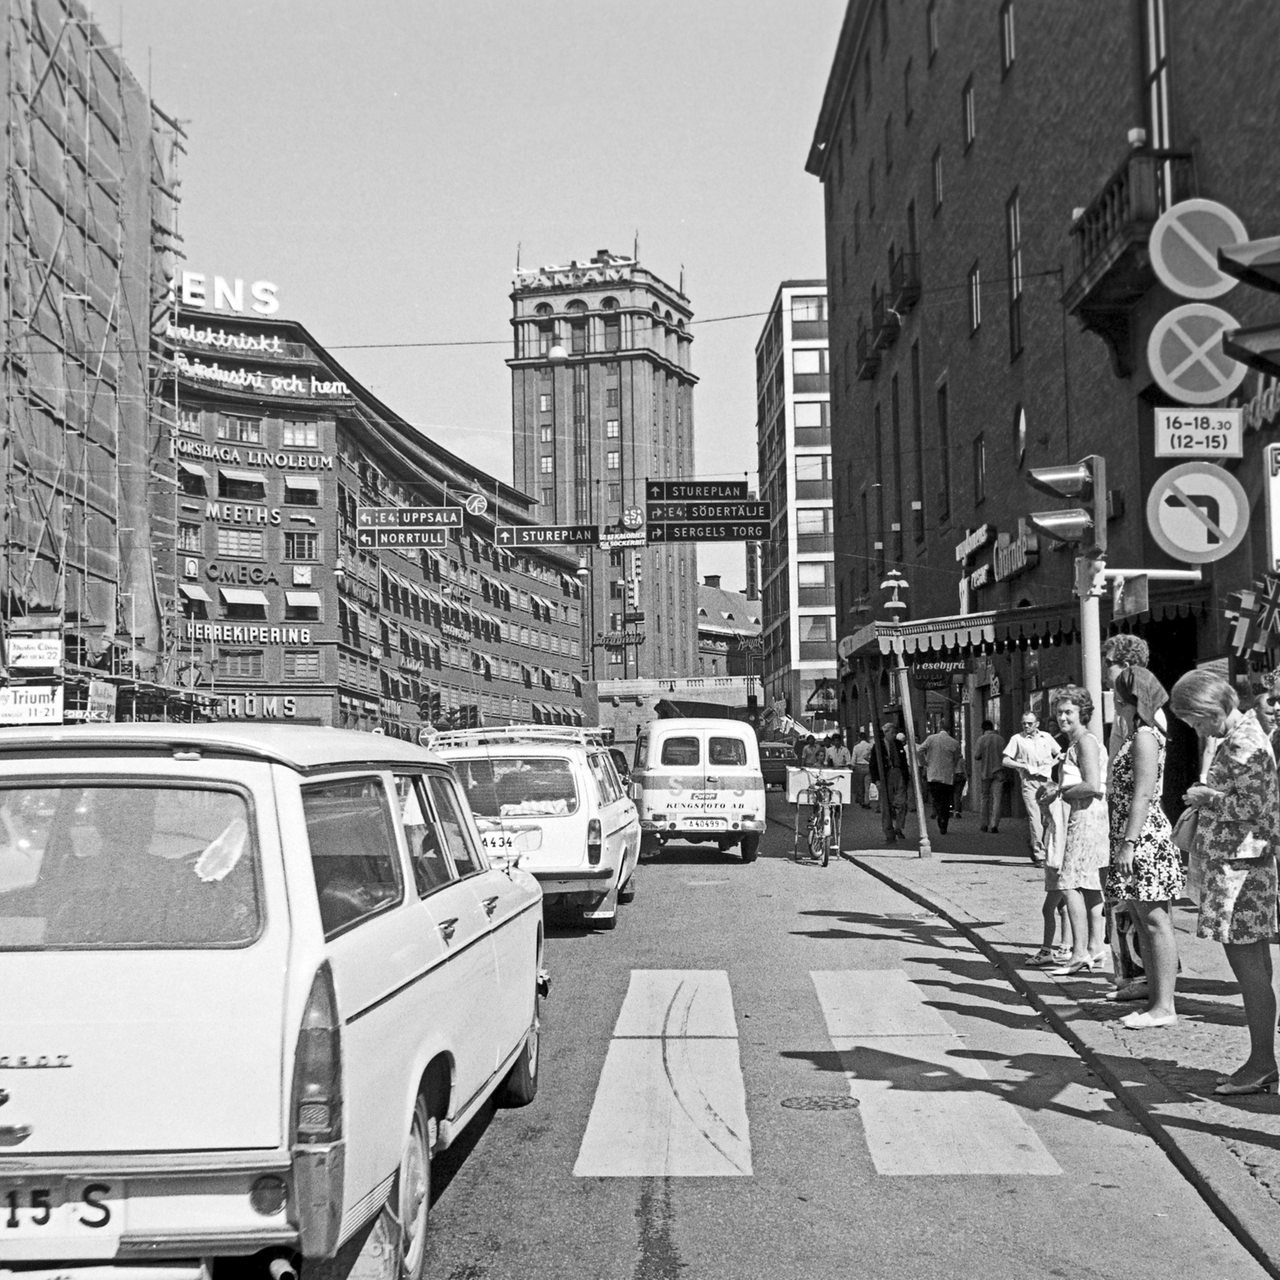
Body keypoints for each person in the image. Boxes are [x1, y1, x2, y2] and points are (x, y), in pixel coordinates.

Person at [1171, 668, 1280, 1092]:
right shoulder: (1243, 734)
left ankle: (1260, 1063)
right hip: (1241, 864)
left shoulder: (1243, 740)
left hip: (1241, 866)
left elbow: (1255, 807)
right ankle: (1261, 1060)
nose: (1197, 729)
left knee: (1249, 968)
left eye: (1196, 721)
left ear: (1211, 708)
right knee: (1254, 967)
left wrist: (1205, 797)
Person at [1106, 664, 1182, 1029]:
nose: (1116, 708)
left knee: (1154, 920)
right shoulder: (1139, 733)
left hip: (1144, 837)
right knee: (1141, 918)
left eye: (1119, 701)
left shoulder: (1145, 737)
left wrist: (1129, 843)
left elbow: (1143, 793)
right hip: (1133, 836)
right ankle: (1155, 1000)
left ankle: (1165, 1005)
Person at [1037, 686, 1109, 975]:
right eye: (1060, 712)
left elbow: (1092, 785)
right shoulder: (1076, 742)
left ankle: (1078, 953)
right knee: (1090, 886)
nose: (1063, 717)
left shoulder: (1085, 742)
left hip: (1087, 816)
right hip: (1087, 815)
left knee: (1068, 883)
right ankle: (1095, 949)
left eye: (1069, 712)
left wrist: (1061, 791)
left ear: (1083, 713)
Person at [1002, 711, 1062, 864]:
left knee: (1049, 817)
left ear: (1037, 724)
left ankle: (1048, 848)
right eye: (1024, 723)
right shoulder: (1017, 739)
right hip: (1030, 782)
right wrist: (1022, 766)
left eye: (1029, 723)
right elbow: (1006, 760)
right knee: (1035, 818)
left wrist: (1054, 763)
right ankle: (1039, 854)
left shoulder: (1046, 737)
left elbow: (1060, 754)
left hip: (1047, 781)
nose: (1026, 726)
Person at [917, 723, 961, 836]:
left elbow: (919, 751)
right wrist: (952, 766)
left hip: (933, 775)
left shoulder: (931, 739)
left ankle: (939, 815)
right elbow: (957, 758)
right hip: (947, 777)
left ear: (939, 728)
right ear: (950, 731)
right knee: (946, 800)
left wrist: (924, 763)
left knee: (936, 799)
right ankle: (944, 822)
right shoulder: (954, 742)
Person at [869, 721, 908, 843]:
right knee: (886, 805)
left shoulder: (898, 744)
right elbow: (873, 764)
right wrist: (876, 780)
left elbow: (903, 760)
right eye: (892, 732)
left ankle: (898, 827)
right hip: (886, 776)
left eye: (895, 732)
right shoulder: (878, 746)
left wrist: (905, 776)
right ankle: (888, 832)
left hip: (898, 774)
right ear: (886, 733)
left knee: (902, 803)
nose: (894, 734)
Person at [974, 719, 1006, 833]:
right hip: (999, 771)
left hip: (985, 772)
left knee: (985, 797)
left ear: (983, 729)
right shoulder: (1001, 739)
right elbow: (1006, 756)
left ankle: (984, 824)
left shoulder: (981, 739)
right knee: (997, 798)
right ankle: (994, 825)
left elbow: (977, 756)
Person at [850, 730, 874, 807]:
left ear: (859, 738)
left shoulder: (856, 747)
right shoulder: (870, 746)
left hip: (859, 767)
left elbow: (853, 758)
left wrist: (852, 767)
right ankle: (867, 801)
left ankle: (861, 800)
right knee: (867, 786)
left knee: (860, 785)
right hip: (868, 766)